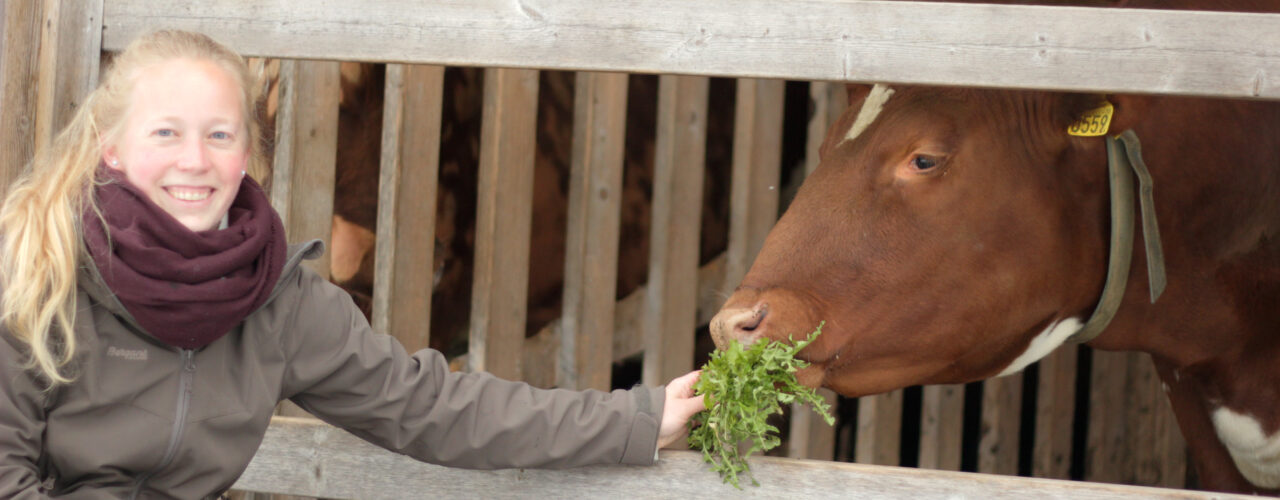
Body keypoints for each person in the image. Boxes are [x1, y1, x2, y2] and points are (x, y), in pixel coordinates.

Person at [0, 30, 706, 498]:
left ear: (248, 153)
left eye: (219, 134)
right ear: (112, 151)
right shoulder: (38, 273)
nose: (195, 160)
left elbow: (433, 409)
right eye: (166, 133)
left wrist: (638, 419)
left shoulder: (276, 304)